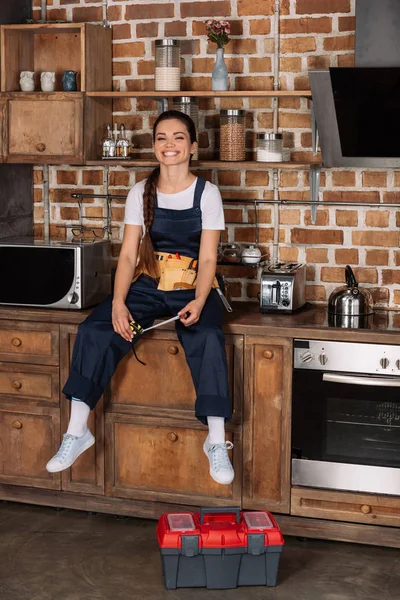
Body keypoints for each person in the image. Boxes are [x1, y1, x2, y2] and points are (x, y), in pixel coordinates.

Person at [46, 110, 234, 485]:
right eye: (162, 138)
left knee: (208, 337)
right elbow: (129, 256)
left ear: (193, 147)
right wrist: (118, 303)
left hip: (193, 288)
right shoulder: (140, 192)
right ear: (153, 147)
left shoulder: (207, 193)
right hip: (148, 287)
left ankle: (215, 440)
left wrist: (198, 301)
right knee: (96, 331)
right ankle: (77, 430)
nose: (170, 145)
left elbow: (210, 257)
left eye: (179, 138)